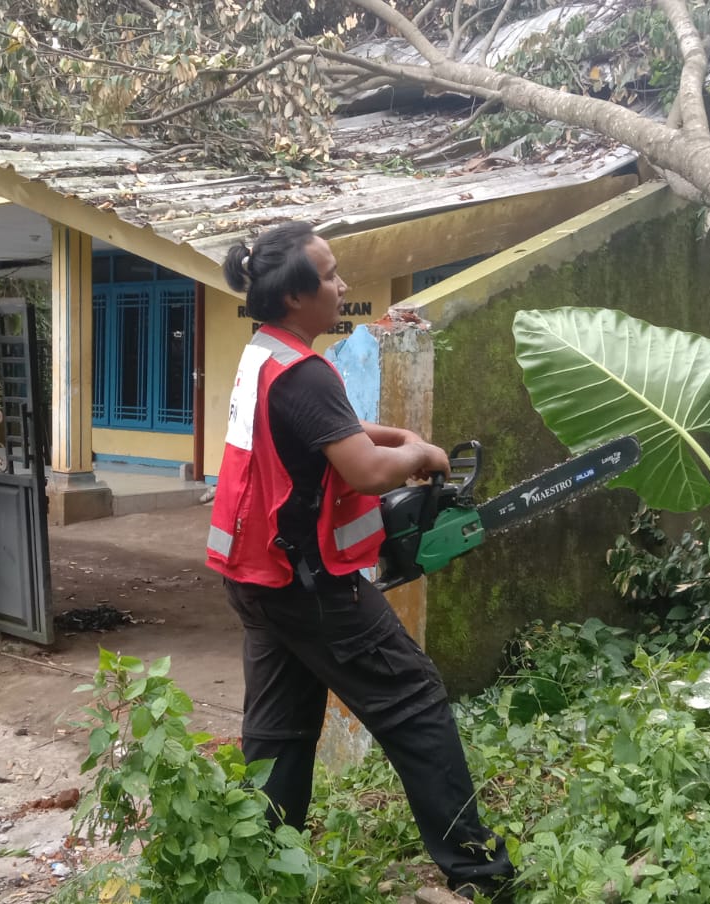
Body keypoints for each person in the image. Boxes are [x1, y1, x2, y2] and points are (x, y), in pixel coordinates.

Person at [207, 221, 515, 901]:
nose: (342, 285)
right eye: (331, 273)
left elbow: (328, 430)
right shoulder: (306, 372)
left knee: (280, 730)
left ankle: (262, 872)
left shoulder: (265, 355)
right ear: (295, 295)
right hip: (310, 585)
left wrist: (392, 434)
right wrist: (422, 456)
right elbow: (371, 472)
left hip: (257, 578)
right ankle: (479, 873)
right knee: (415, 701)